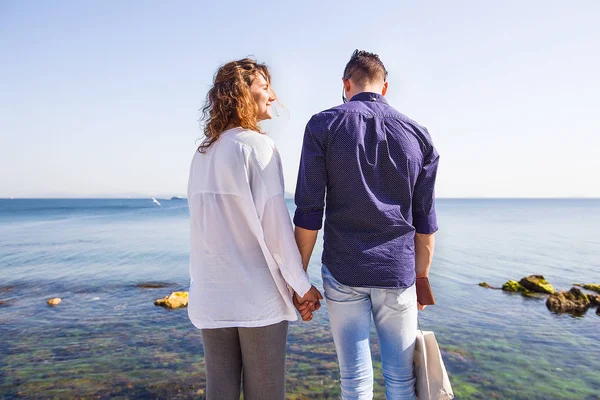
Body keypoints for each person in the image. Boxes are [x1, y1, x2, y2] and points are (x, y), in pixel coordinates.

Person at [293, 50, 440, 400]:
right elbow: (426, 222)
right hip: (397, 272)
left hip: (344, 270)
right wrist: (421, 278)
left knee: (355, 382)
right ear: (385, 87)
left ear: (346, 84)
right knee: (402, 381)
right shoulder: (420, 136)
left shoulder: (322, 125)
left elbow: (309, 211)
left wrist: (299, 279)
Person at [187, 58, 322, 400]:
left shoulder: (202, 153)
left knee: (220, 392)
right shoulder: (257, 146)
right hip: (256, 298)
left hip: (211, 294)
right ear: (242, 94)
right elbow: (276, 229)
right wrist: (303, 288)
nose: (273, 96)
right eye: (264, 87)